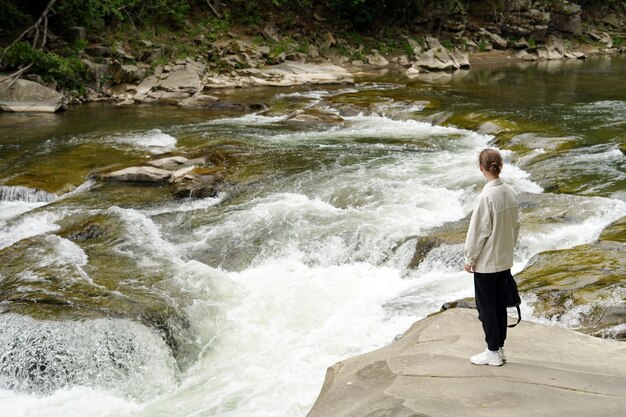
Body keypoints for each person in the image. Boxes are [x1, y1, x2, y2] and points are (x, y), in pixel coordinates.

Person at [464, 148, 520, 366]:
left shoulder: (486, 196)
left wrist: (470, 258)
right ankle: (499, 348)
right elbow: (516, 226)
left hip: (487, 263)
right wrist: (509, 248)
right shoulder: (509, 192)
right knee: (499, 307)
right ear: (501, 166)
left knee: (486, 308)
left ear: (481, 168)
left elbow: (478, 232)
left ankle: (492, 351)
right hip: (504, 260)